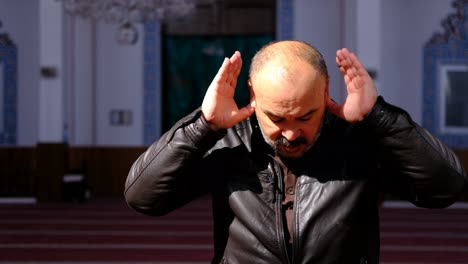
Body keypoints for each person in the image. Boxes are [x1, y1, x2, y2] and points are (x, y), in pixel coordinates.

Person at [124, 40, 467, 264]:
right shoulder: (227, 144)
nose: (290, 132)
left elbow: (445, 189)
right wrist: (203, 125)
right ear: (252, 95)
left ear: (325, 93)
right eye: (277, 118)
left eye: (306, 116)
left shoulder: (358, 142)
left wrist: (380, 117)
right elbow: (144, 198)